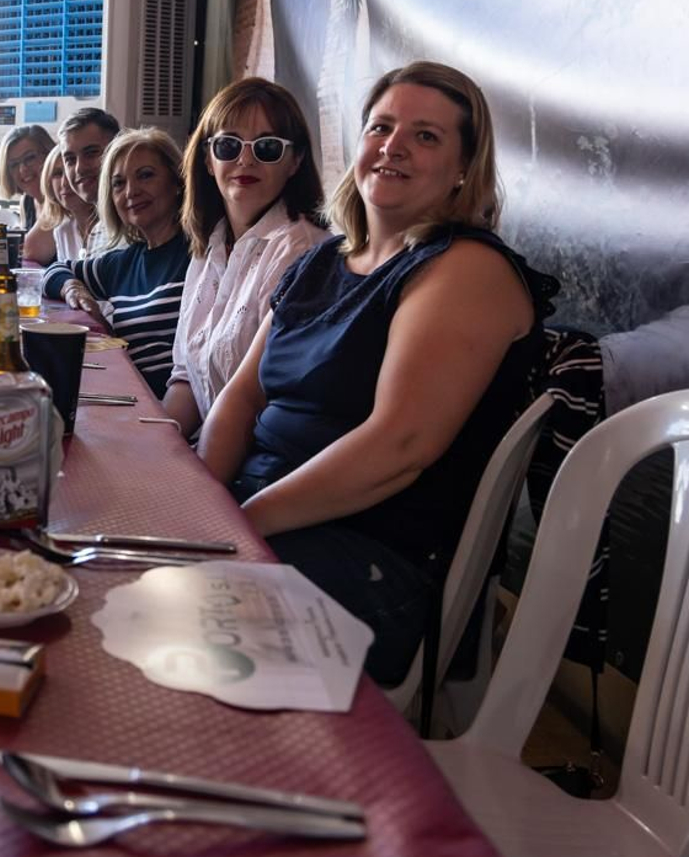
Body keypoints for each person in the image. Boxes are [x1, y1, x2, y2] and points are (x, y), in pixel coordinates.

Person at [199, 61, 558, 684]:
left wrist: (240, 525)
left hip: (376, 565)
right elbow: (242, 396)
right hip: (266, 525)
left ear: (464, 169)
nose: (393, 147)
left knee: (164, 623)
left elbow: (400, 446)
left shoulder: (466, 268)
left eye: (426, 136)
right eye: (381, 128)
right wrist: (195, 509)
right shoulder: (322, 263)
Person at [163, 79, 330, 437]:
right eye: (228, 145)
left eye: (267, 147)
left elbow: (257, 403)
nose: (245, 158)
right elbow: (186, 380)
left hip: (259, 464)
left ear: (295, 161)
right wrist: (154, 448)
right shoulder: (209, 248)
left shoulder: (304, 252)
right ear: (208, 160)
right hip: (207, 451)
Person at [42, 127, 193, 399]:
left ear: (177, 182)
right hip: (133, 401)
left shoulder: (200, 252)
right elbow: (54, 271)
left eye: (145, 175)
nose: (131, 191)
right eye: (118, 183)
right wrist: (73, 289)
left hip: (180, 419)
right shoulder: (123, 263)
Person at [54, 107, 120, 260]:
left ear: (117, 150)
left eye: (91, 153)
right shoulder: (99, 229)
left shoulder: (134, 220)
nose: (79, 168)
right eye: (70, 159)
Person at [0, 125, 57, 265]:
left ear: (49, 154)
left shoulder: (60, 196)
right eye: (14, 165)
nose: (23, 169)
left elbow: (29, 250)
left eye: (29, 158)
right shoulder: (27, 201)